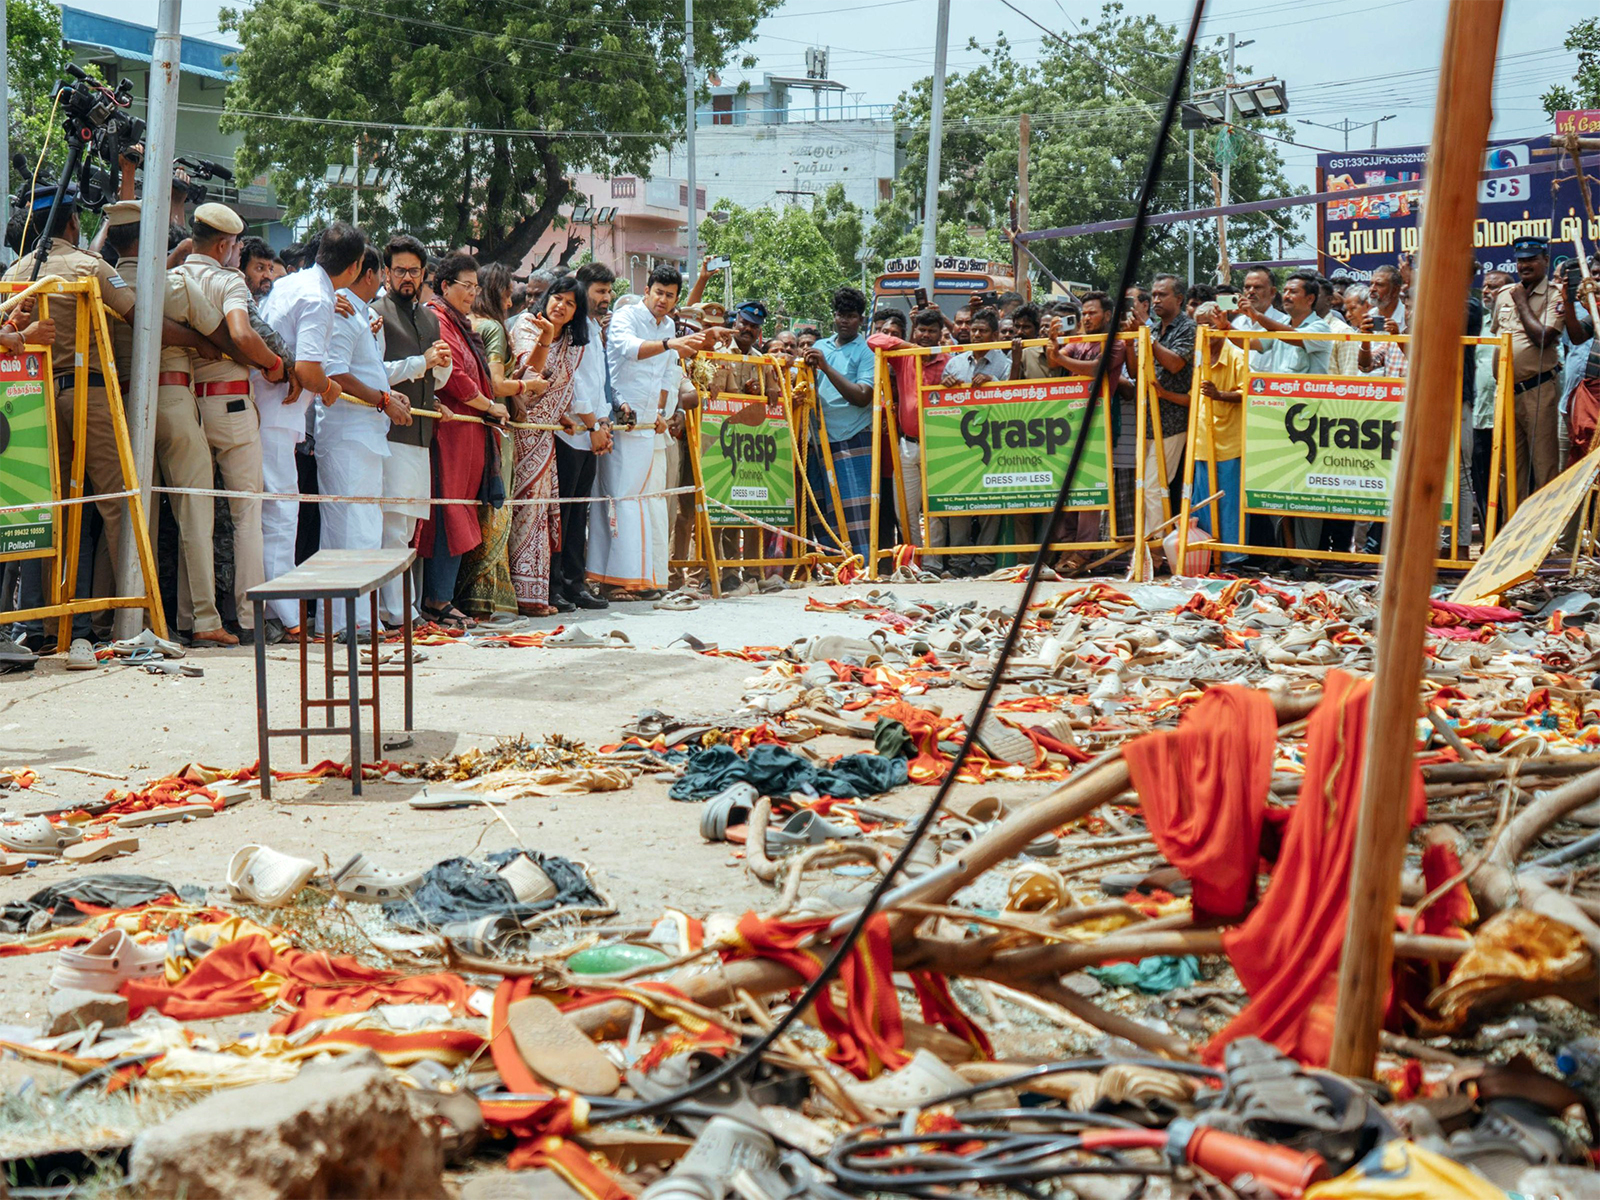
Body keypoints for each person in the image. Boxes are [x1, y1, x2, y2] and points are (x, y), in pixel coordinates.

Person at [101, 201, 237, 647]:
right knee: (194, 512)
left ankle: (120, 618)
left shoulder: (100, 282)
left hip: (122, 406)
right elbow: (224, 338)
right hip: (173, 398)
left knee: (129, 515)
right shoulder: (171, 283)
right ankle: (203, 619)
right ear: (153, 237)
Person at [173, 204, 293, 639]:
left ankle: (192, 618)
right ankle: (248, 617)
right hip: (232, 405)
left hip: (189, 403)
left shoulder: (174, 276)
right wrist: (273, 364)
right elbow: (243, 334)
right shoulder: (228, 280)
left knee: (194, 517)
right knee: (247, 515)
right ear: (224, 245)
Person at [255, 222, 364, 636]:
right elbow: (307, 369)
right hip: (276, 412)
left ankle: (276, 610)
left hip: (270, 408)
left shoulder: (295, 282)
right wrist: (330, 387)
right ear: (354, 267)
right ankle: (284, 614)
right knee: (281, 513)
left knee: (272, 510)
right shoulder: (318, 297)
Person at [590, 263, 706, 597]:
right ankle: (612, 581)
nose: (663, 300)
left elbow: (666, 375)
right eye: (658, 293)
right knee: (619, 500)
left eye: (670, 295)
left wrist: (661, 413)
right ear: (647, 291)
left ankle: (639, 578)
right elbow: (630, 350)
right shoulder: (626, 317)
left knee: (641, 503)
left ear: (676, 299)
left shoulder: (668, 325)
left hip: (648, 428)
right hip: (618, 421)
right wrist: (670, 343)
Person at [319, 245, 413, 638]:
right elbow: (335, 373)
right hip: (349, 436)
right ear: (369, 273)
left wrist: (387, 395)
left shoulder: (359, 313)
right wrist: (383, 400)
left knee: (359, 529)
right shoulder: (343, 311)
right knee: (353, 531)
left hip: (362, 436)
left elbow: (364, 371)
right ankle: (353, 622)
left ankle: (350, 620)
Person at [417, 253, 508, 625]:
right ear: (444, 285)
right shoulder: (437, 318)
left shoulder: (460, 322)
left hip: (469, 433)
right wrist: (489, 406)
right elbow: (455, 378)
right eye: (466, 286)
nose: (472, 293)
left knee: (461, 511)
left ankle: (444, 597)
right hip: (449, 434)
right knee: (448, 513)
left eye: (476, 287)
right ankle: (436, 600)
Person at [373, 235, 451, 628]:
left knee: (406, 529)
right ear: (386, 273)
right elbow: (374, 374)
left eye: (414, 271)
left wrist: (440, 367)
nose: (407, 277)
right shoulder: (375, 313)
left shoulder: (429, 317)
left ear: (424, 275)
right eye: (400, 270)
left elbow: (434, 377)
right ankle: (396, 612)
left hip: (421, 436)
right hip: (389, 434)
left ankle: (402, 609)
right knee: (392, 526)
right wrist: (422, 362)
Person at [507, 276, 589, 616]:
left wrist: (562, 414)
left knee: (542, 516)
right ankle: (520, 595)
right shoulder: (528, 325)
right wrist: (546, 337)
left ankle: (538, 594)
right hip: (521, 433)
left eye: (570, 303)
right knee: (523, 513)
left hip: (546, 438)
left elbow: (561, 388)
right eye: (558, 298)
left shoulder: (573, 341)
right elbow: (530, 376)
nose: (561, 306)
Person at [538, 261, 614, 611]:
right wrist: (594, 426)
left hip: (591, 433)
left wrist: (603, 423)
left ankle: (574, 583)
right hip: (570, 433)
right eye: (599, 291)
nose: (605, 298)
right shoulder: (569, 331)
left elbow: (598, 383)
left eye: (609, 291)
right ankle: (555, 586)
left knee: (578, 512)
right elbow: (576, 386)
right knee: (562, 514)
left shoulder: (592, 329)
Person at [457, 263, 530, 618]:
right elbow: (498, 384)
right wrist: (528, 385)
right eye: (506, 292)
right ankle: (486, 598)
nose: (510, 301)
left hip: (472, 426)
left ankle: (465, 595)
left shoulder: (467, 324)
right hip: (496, 428)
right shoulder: (492, 329)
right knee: (495, 511)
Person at [1047, 292, 1132, 560]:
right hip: (1069, 421)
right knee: (1066, 483)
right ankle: (1067, 546)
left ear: (1107, 316)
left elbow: (1096, 368)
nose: (1086, 318)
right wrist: (1053, 341)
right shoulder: (1079, 342)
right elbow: (1053, 359)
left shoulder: (1116, 343)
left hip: (1099, 422)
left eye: (1092, 313)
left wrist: (1059, 357)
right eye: (1084, 313)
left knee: (1090, 486)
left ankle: (1083, 551)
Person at [802, 286, 877, 563]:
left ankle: (861, 564)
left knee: (854, 510)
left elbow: (862, 396)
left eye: (851, 316)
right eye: (840, 315)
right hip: (818, 438)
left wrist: (826, 368)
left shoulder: (866, 352)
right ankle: (835, 564)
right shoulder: (820, 346)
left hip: (852, 436)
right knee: (822, 509)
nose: (845, 321)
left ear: (861, 319)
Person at [870, 307, 949, 552]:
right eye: (921, 330)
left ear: (940, 334)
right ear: (914, 332)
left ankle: (933, 561)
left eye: (931, 331)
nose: (926, 335)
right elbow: (874, 340)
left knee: (935, 509)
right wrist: (911, 347)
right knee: (904, 508)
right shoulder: (904, 357)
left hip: (937, 445)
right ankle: (913, 558)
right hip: (907, 444)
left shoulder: (948, 359)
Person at [1491, 236, 1564, 497]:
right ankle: (1512, 523)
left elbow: (1543, 338)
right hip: (1505, 392)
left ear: (1545, 260)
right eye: (1521, 261)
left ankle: (1546, 524)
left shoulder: (1555, 295)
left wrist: (1522, 302)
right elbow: (1497, 334)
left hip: (1538, 390)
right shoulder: (1504, 295)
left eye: (1532, 259)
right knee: (1508, 470)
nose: (1525, 265)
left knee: (1545, 468)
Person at [1190, 302, 1248, 565]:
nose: (1205, 331)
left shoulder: (1236, 355)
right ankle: (1208, 558)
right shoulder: (1199, 356)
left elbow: (1249, 392)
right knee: (1202, 505)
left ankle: (1233, 560)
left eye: (1209, 325)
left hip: (1229, 443)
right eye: (1200, 326)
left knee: (1229, 506)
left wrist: (1220, 395)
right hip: (1202, 442)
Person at [1145, 274, 1197, 566]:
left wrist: (1148, 341)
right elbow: (1136, 369)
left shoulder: (1188, 328)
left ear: (1178, 299)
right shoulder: (1152, 329)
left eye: (1162, 295)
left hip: (1173, 420)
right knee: (1145, 487)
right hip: (1148, 419)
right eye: (1153, 294)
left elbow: (1175, 364)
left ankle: (1156, 552)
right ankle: (1149, 549)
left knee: (1155, 487)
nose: (1156, 300)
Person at [1472, 270, 1512, 528]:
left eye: (1493, 287)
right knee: (1482, 478)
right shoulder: (1479, 322)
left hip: (1509, 413)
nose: (1486, 291)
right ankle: (1490, 534)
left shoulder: (1515, 323)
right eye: (1485, 286)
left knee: (1512, 477)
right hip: (1480, 414)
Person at [1233, 268, 1286, 372]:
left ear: (1272, 292)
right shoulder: (1237, 323)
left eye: (1257, 287)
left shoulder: (1284, 323)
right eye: (1247, 287)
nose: (1251, 291)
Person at [942, 307, 1007, 385]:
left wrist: (992, 380)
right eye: (973, 330)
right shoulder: (954, 363)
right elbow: (941, 390)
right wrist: (946, 383)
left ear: (994, 335)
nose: (976, 335)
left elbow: (1011, 391)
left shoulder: (1005, 365)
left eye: (982, 331)